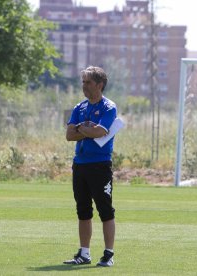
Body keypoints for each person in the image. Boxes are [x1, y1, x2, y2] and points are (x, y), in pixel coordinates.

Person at [63, 66, 117, 267]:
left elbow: (101, 132)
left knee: (105, 210)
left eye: (88, 82)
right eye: (83, 82)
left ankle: (108, 254)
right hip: (80, 165)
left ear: (99, 85)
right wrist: (87, 129)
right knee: (83, 210)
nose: (84, 86)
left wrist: (81, 129)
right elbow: (69, 135)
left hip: (100, 166)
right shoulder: (80, 107)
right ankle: (84, 254)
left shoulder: (108, 107)